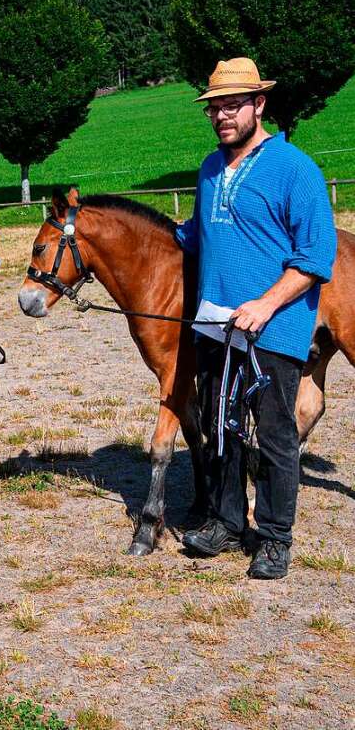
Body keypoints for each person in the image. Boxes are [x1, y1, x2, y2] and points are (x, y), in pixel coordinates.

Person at [176, 58, 337, 580]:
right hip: (215, 325)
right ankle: (225, 520)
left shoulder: (295, 169)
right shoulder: (207, 169)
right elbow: (198, 236)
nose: (222, 115)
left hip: (274, 327)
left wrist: (266, 304)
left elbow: (316, 258)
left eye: (232, 104)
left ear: (258, 105)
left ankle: (273, 537)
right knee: (219, 427)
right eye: (215, 107)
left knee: (273, 433)